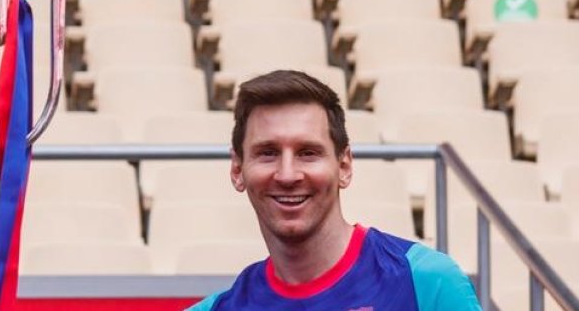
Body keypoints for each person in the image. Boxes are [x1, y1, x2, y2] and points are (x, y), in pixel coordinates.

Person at [189, 70, 480, 310]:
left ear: (344, 166)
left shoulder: (426, 282)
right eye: (267, 152)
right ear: (237, 169)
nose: (288, 175)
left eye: (308, 152)